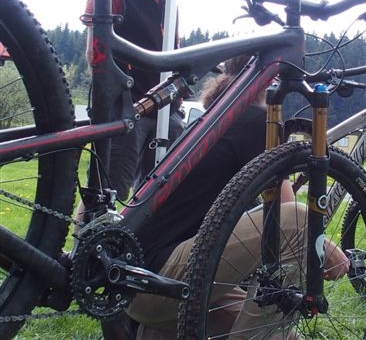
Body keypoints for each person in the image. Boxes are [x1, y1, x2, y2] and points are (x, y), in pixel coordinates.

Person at [126, 54, 350, 338]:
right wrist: (324, 247)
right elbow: (287, 213)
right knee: (300, 221)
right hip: (164, 276)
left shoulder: (215, 117)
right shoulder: (254, 120)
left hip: (138, 283)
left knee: (285, 337)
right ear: (272, 78)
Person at [82, 0, 195, 201]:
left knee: (163, 193)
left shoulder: (169, 4)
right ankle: (85, 229)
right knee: (106, 191)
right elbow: (94, 55)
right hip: (126, 107)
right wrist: (114, 99)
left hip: (165, 109)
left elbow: (173, 51)